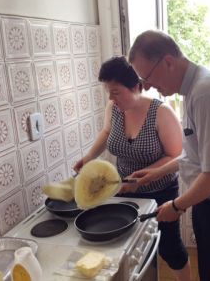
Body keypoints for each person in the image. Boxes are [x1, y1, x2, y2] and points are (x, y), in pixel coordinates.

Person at [127, 30, 210, 281]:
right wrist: (153, 174)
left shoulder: (206, 94)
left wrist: (176, 206)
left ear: (167, 62)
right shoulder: (195, 91)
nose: (145, 86)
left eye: (145, 77)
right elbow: (197, 158)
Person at [73, 56, 191, 281]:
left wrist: (144, 178)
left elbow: (175, 155)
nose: (111, 98)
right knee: (130, 246)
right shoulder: (114, 108)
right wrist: (88, 157)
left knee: (169, 247)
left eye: (116, 92)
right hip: (124, 190)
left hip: (160, 193)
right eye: (109, 92)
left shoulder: (161, 112)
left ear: (136, 86)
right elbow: (107, 132)